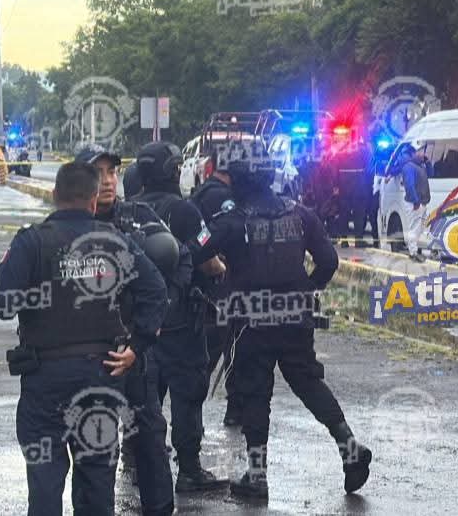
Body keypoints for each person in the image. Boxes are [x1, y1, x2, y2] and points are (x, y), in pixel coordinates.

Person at [0, 161, 168, 515]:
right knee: (97, 484)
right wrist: (137, 347)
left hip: (45, 380)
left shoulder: (32, 241)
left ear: (55, 196)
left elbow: (2, 303)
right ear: (91, 202)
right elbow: (156, 291)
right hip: (101, 377)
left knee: (44, 482)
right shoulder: (115, 241)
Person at [202, 140, 372, 501]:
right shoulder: (301, 213)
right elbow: (328, 262)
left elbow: (194, 251)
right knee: (309, 383)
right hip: (296, 316)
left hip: (250, 321)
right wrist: (306, 291)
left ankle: (258, 473)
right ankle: (349, 446)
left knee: (254, 391)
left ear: (237, 181)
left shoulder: (230, 221)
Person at [71, 145, 177, 515]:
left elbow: (177, 267)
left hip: (133, 351)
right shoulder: (65, 226)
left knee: (148, 439)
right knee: (94, 452)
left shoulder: (139, 216)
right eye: (99, 173)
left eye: (113, 171)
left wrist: (150, 329)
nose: (109, 180)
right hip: (85, 357)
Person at [133, 141, 230, 492]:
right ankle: (188, 469)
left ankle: (138, 457)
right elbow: (208, 260)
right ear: (171, 171)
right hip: (180, 321)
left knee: (145, 390)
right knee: (188, 392)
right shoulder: (185, 211)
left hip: (141, 322)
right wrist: (221, 269)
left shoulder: (130, 210)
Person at [189, 148, 244, 428]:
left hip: (202, 285)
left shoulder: (199, 193)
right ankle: (234, 409)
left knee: (207, 352)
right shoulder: (225, 200)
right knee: (231, 346)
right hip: (224, 282)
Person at [399, 143, 431, 262]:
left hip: (422, 202)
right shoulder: (408, 167)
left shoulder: (421, 166)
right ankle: (413, 252)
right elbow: (409, 185)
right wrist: (416, 201)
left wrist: (428, 163)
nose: (423, 154)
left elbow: (431, 174)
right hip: (415, 203)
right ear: (413, 153)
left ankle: (416, 250)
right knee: (414, 227)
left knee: (420, 228)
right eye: (420, 151)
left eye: (423, 151)